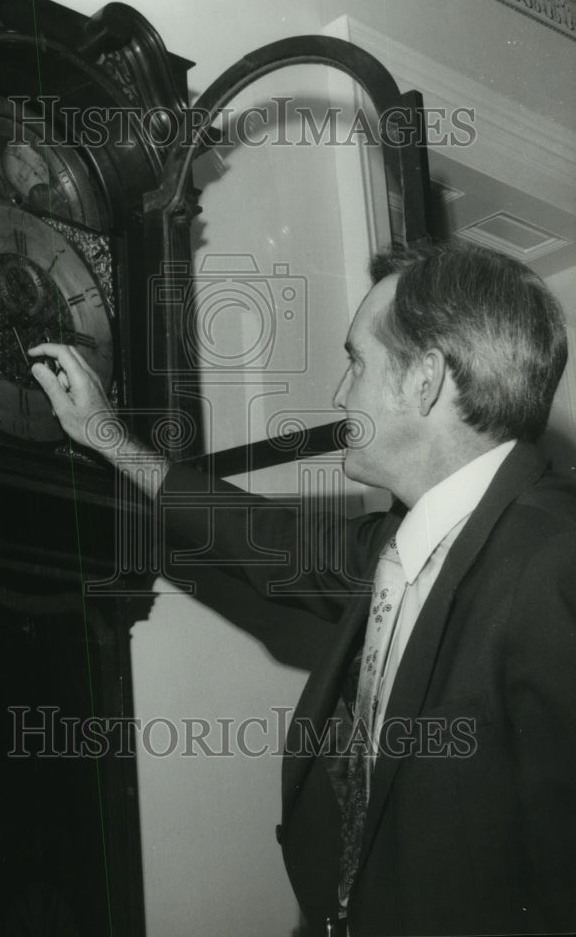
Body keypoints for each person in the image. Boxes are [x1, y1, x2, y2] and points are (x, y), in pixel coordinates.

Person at [29, 241, 576, 936]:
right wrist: (109, 438)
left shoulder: (557, 559)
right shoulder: (408, 542)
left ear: (425, 380)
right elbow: (269, 539)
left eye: (357, 361)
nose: (338, 393)